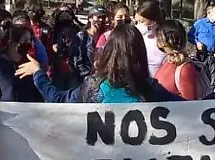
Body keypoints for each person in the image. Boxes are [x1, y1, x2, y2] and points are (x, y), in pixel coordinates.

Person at [18, 23, 181, 104]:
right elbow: (188, 109)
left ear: (109, 52)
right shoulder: (151, 88)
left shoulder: (93, 87)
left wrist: (38, 73)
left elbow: (58, 100)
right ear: (140, 53)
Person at [0, 23, 44, 102]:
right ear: (12, 42)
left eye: (30, 40)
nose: (28, 43)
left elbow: (39, 91)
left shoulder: (30, 62)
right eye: (25, 40)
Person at [155, 20, 207, 100]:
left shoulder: (185, 67)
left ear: (168, 39)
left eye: (158, 36)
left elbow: (189, 102)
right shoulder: (168, 60)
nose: (156, 38)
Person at [190, 4, 215, 85]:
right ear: (209, 12)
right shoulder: (199, 23)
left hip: (214, 56)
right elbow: (190, 35)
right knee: (199, 78)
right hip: (202, 55)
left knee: (211, 80)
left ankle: (210, 91)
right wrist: (197, 42)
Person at [48, 8, 83, 89]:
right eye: (61, 15)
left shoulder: (77, 30)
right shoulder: (53, 30)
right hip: (57, 69)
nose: (65, 17)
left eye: (67, 15)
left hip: (73, 68)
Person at [133, 1, 167, 78]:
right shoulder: (137, 39)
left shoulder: (164, 42)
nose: (138, 25)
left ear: (153, 22)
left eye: (141, 22)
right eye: (136, 22)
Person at [75, 6, 108, 80]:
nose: (100, 20)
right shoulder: (82, 36)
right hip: (84, 79)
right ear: (90, 18)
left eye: (103, 18)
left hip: (102, 78)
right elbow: (76, 60)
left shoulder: (106, 36)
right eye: (98, 17)